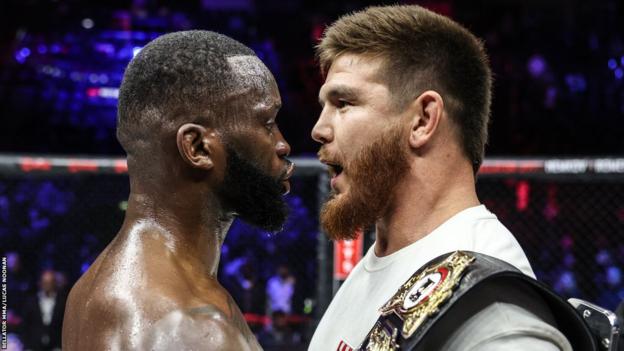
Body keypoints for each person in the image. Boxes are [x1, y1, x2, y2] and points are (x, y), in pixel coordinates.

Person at [310, 5, 578, 350]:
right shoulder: (383, 263)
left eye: (343, 102)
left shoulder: (495, 311)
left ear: (423, 120)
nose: (318, 129)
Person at [62, 30, 293, 350]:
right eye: (267, 123)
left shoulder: (90, 289)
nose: (283, 144)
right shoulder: (198, 330)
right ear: (197, 147)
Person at [22, 270, 66, 351]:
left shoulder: (62, 302)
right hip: (34, 346)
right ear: (40, 283)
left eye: (50, 282)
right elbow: (25, 326)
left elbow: (64, 326)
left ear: (54, 283)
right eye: (45, 282)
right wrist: (27, 346)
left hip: (55, 346)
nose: (47, 285)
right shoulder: (31, 302)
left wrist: (60, 346)